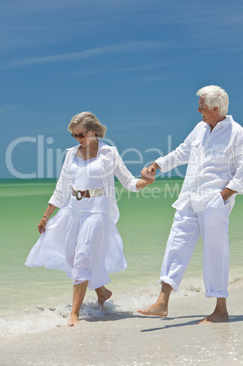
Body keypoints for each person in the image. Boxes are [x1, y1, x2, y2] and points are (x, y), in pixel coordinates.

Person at [25, 111, 155, 326]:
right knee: (71, 258)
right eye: (74, 135)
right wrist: (46, 215)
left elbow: (129, 182)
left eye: (81, 134)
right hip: (73, 208)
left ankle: (74, 313)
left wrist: (147, 182)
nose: (78, 139)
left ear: (93, 131)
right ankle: (102, 292)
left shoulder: (109, 153)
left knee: (83, 257)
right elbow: (61, 188)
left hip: (97, 209)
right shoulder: (71, 154)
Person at [138, 85, 243, 323]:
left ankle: (221, 309)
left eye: (201, 106)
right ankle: (162, 302)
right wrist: (156, 165)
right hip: (189, 197)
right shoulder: (200, 129)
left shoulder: (238, 134)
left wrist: (220, 199)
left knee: (215, 252)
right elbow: (181, 152)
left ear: (215, 108)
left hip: (214, 202)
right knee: (175, 245)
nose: (197, 109)